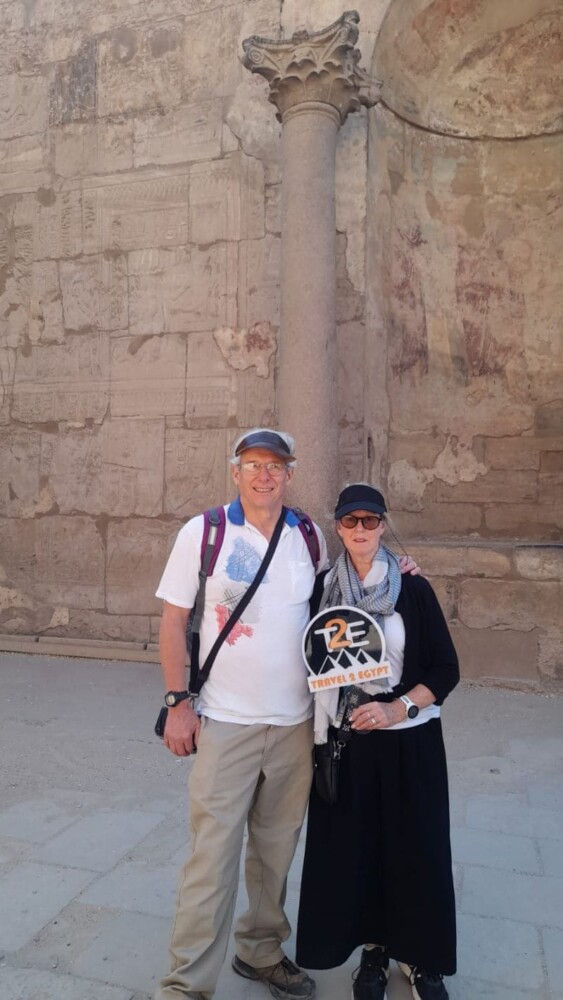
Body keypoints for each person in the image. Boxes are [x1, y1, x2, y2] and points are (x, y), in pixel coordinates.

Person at [154, 428, 328, 1000]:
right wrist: (178, 703)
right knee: (211, 859)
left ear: (290, 474)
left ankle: (260, 951)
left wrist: (397, 566)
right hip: (225, 722)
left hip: (294, 724)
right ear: (236, 472)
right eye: (253, 464)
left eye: (275, 465)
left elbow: (334, 607)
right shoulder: (203, 532)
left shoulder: (309, 535)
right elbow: (174, 621)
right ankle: (186, 985)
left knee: (276, 853)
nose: (264, 474)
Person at [296, 483, 459, 1000]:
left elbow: (446, 669)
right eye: (350, 522)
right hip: (351, 739)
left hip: (410, 740)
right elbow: (307, 656)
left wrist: (398, 707)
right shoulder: (324, 588)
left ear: (383, 525)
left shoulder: (413, 589)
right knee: (360, 852)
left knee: (418, 850)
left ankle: (423, 958)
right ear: (339, 528)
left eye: (370, 521)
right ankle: (374, 952)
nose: (360, 530)